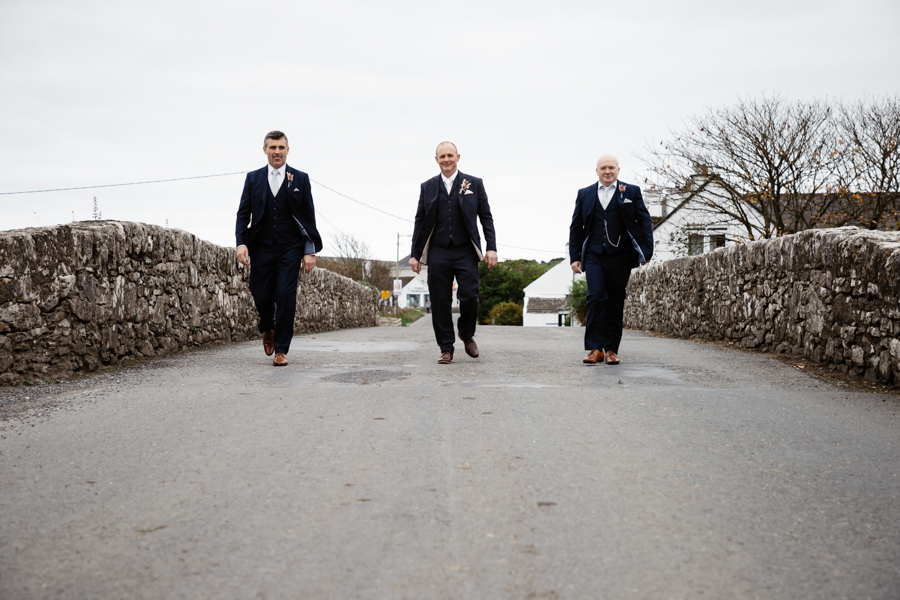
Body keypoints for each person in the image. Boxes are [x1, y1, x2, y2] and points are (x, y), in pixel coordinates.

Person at [235, 131, 322, 366]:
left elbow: (309, 217)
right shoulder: (253, 178)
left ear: (287, 150)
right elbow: (243, 214)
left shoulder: (300, 179)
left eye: (281, 147)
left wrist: (309, 251)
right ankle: (268, 327)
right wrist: (241, 243)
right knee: (260, 294)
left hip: (290, 248)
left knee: (285, 295)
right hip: (261, 247)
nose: (277, 152)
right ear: (265, 150)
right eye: (272, 147)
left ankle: (281, 350)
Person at [409, 142, 498, 364]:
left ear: (458, 157)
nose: (446, 159)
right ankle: (446, 348)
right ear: (436, 160)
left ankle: (466, 333)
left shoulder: (474, 183)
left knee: (470, 296)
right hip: (438, 251)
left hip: (466, 250)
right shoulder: (427, 186)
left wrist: (491, 247)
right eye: (442, 156)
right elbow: (420, 220)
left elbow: (486, 217)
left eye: (450, 155)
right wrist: (415, 254)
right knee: (440, 301)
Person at [568, 155, 653, 365]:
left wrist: (646, 252)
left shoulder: (631, 191)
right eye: (603, 168)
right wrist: (575, 257)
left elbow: (644, 220)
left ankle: (611, 350)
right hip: (594, 255)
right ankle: (595, 349)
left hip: (621, 256)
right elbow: (576, 227)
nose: (608, 171)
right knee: (596, 297)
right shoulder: (585, 193)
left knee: (615, 300)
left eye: (611, 168)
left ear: (618, 170)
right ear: (597, 171)